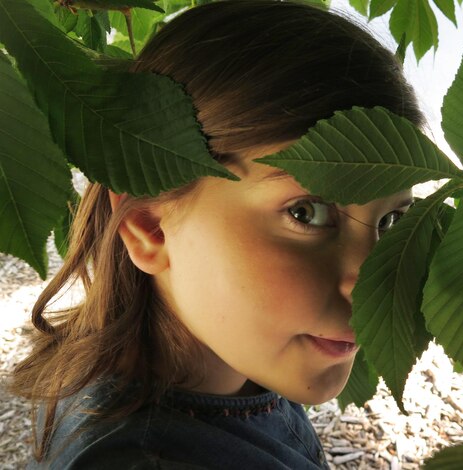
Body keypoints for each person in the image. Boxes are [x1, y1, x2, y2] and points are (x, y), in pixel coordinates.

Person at [10, 1, 423, 468]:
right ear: (149, 227)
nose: (376, 289)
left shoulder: (215, 366)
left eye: (390, 221)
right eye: (305, 212)